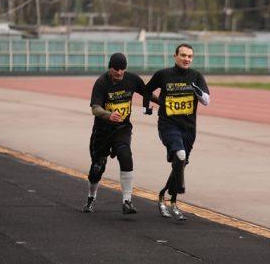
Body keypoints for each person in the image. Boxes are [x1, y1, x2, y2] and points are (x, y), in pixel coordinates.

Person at [143, 43, 210, 221]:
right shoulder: (163, 74)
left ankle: (165, 197)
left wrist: (197, 91)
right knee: (180, 155)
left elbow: (206, 101)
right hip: (168, 125)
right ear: (175, 56)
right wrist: (153, 104)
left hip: (189, 128)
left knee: (180, 164)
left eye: (190, 56)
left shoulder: (196, 76)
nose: (186, 59)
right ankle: (174, 197)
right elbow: (146, 90)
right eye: (183, 55)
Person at [82, 52, 155, 214]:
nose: (119, 72)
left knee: (125, 155)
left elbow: (147, 93)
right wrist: (109, 115)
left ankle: (127, 201)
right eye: (116, 69)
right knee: (97, 168)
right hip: (102, 131)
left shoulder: (132, 79)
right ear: (110, 68)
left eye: (122, 69)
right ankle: (91, 197)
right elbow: (95, 108)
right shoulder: (101, 82)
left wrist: (163, 103)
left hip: (122, 128)